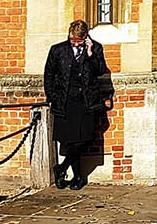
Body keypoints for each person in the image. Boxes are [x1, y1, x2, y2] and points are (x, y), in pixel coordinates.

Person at [43, 19, 113, 190]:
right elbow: (49, 75)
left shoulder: (95, 49)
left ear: (85, 38)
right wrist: (53, 97)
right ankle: (78, 177)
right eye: (72, 40)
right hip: (66, 101)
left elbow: (101, 71)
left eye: (78, 41)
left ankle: (62, 168)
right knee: (70, 140)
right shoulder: (58, 50)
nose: (75, 43)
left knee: (84, 138)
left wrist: (90, 54)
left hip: (86, 102)